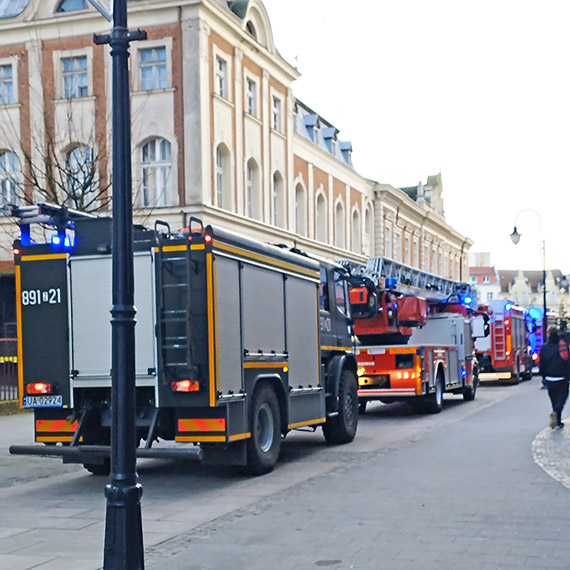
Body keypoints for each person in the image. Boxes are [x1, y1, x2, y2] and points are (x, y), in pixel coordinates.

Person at [539, 327, 570, 429]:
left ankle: (557, 420)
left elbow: (542, 364)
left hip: (549, 378)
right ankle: (556, 415)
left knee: (554, 400)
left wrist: (543, 377)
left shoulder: (544, 347)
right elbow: (568, 362)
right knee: (561, 399)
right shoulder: (563, 346)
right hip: (562, 378)